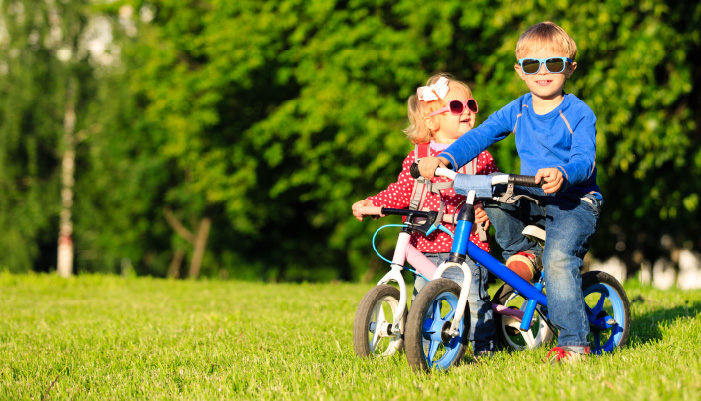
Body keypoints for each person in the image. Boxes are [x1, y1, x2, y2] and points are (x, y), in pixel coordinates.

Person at [418, 22, 601, 363]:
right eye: (532, 65)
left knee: (559, 260)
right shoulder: (517, 109)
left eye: (554, 64)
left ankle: (575, 342)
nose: (542, 72)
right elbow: (481, 135)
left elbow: (584, 160)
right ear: (520, 71)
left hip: (574, 201)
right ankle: (525, 251)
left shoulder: (578, 112)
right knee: (490, 196)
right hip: (532, 196)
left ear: (571, 68)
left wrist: (564, 173)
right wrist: (445, 157)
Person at [352, 73, 499, 356]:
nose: (467, 111)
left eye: (471, 104)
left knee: (474, 302)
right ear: (432, 122)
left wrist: (487, 209)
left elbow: (494, 188)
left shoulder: (480, 155)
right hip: (425, 245)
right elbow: (402, 191)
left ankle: (485, 350)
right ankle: (427, 349)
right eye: (457, 107)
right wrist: (373, 203)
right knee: (424, 301)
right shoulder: (417, 156)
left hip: (466, 245)